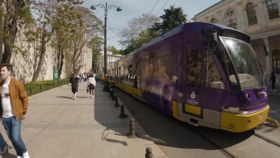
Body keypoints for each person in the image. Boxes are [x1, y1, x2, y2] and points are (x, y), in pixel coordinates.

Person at [0, 63, 30, 158]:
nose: (1, 72)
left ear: (9, 72)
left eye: (3, 70)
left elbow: (24, 97)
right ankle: (19, 154)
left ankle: (24, 152)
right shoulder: (0, 86)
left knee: (16, 138)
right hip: (5, 118)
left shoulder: (16, 84)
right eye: (0, 71)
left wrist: (24, 111)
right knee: (12, 138)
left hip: (15, 116)